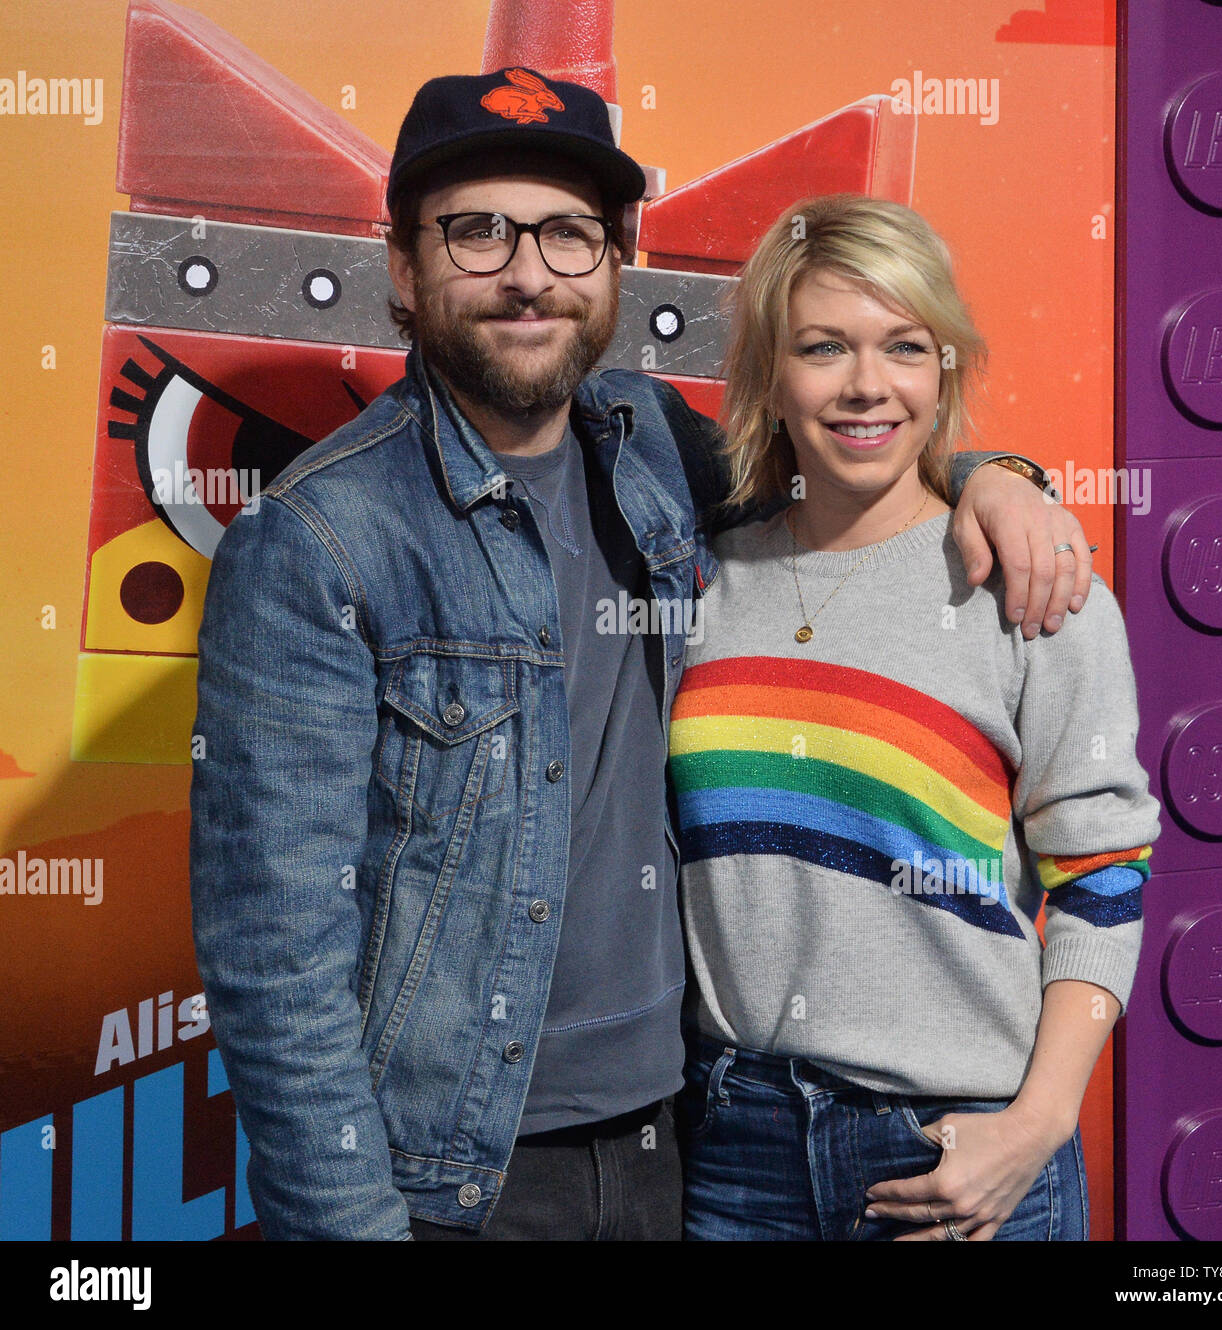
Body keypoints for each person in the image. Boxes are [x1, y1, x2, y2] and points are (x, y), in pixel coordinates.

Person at [189, 70, 1094, 1241]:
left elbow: (851, 477)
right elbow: (274, 958)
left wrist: (994, 478)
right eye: (476, 231)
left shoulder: (653, 440)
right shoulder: (317, 540)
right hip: (463, 1179)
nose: (528, 273)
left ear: (613, 263)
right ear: (404, 270)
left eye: (569, 234)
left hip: (690, 1141)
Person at [668, 193, 1161, 1241]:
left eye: (904, 346)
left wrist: (1035, 1123)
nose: (866, 385)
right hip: (732, 1150)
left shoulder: (1029, 587)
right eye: (821, 346)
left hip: (958, 1147)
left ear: (945, 368)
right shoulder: (696, 579)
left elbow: (1104, 876)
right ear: (767, 372)